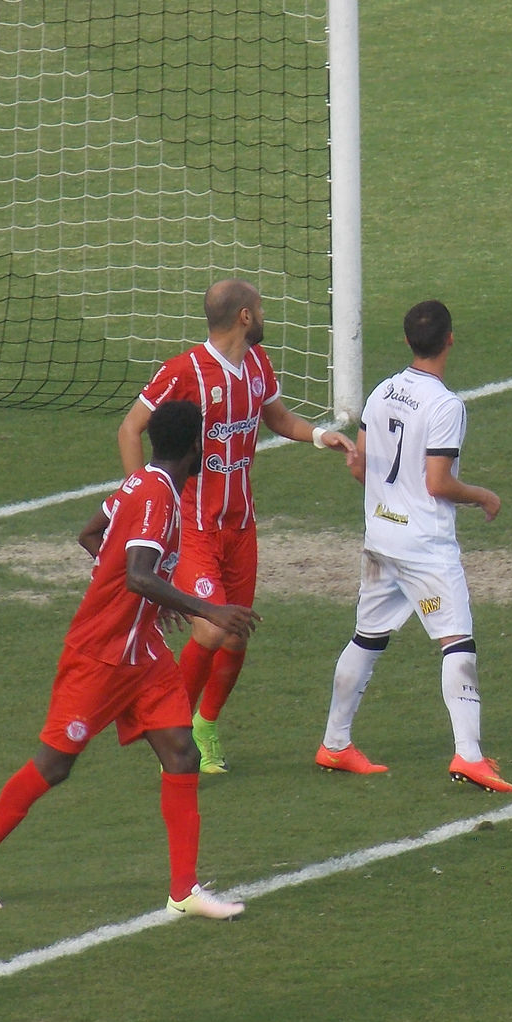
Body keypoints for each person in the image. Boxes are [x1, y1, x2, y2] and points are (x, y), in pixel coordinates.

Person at [0, 400, 259, 917]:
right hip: (99, 654)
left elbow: (91, 534)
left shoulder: (141, 483)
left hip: (142, 654)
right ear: (193, 448)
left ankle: (184, 890)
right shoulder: (159, 495)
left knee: (181, 753)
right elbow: (138, 573)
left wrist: (150, 601)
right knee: (55, 764)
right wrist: (208, 608)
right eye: (204, 440)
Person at [117, 279, 354, 774]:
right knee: (209, 629)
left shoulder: (257, 365)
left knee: (236, 635)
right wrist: (144, 497)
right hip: (195, 526)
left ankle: (205, 725)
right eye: (260, 309)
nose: (264, 315)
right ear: (245, 316)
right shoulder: (184, 371)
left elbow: (278, 419)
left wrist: (319, 436)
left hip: (241, 525)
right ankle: (173, 732)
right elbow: (130, 427)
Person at [316, 300, 512, 792]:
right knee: (457, 640)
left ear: (408, 341)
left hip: (380, 536)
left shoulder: (382, 391)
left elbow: (360, 467)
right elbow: (439, 483)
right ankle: (469, 756)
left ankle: (335, 745)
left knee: (368, 637)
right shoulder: (445, 405)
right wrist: (483, 496)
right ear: (450, 339)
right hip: (423, 545)